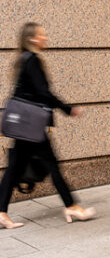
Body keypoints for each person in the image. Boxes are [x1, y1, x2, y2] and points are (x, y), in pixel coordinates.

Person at [0, 23, 96, 229]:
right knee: (50, 165)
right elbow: (43, 93)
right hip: (31, 126)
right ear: (33, 39)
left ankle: (2, 212)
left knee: (15, 168)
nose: (46, 38)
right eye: (42, 35)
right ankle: (71, 205)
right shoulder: (32, 60)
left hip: (27, 125)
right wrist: (67, 109)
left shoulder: (24, 60)